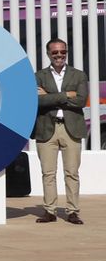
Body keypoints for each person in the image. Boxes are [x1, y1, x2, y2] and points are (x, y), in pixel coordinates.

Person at [34, 39, 87, 225]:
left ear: (66, 53)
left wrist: (49, 96)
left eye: (62, 52)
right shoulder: (38, 76)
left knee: (72, 172)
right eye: (55, 52)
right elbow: (37, 101)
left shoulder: (78, 75)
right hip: (46, 129)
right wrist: (66, 95)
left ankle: (72, 211)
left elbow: (80, 101)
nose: (59, 55)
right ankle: (50, 211)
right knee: (48, 173)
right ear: (48, 54)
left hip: (71, 128)